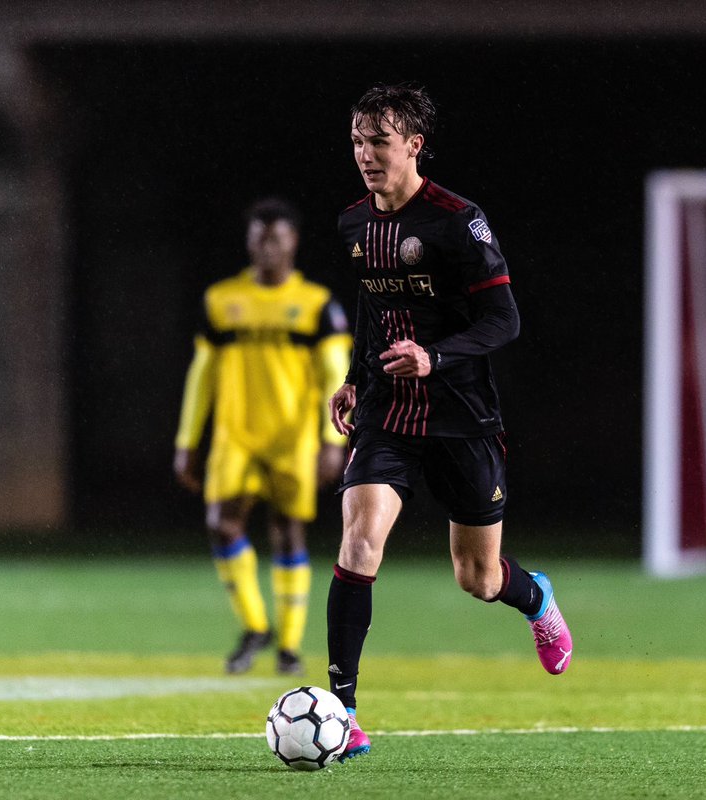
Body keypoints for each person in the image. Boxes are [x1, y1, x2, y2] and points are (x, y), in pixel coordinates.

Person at [325, 84, 573, 762]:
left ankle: (535, 596)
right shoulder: (354, 224)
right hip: (387, 415)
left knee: (478, 578)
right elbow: (373, 311)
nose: (366, 154)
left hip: (461, 416)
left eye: (379, 140)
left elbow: (505, 320)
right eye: (356, 140)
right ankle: (342, 711)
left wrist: (434, 357)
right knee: (359, 541)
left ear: (413, 145)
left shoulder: (458, 222)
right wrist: (353, 379)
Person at [174, 198, 352, 676]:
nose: (267, 247)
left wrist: (331, 441)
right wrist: (187, 441)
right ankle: (256, 626)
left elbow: (334, 372)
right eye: (258, 237)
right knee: (221, 523)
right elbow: (202, 372)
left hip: (292, 438)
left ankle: (289, 645)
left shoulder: (317, 305)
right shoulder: (221, 300)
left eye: (276, 237)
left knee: (288, 531)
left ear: (293, 242)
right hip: (236, 437)